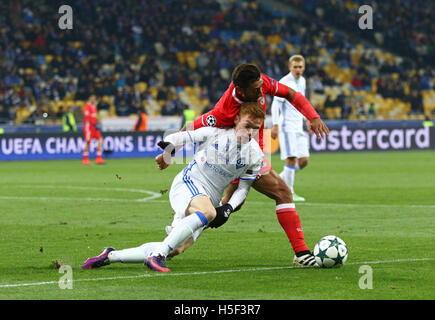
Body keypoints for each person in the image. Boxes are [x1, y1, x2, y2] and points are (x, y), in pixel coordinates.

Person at [156, 63, 329, 266]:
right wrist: (169, 153)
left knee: (225, 209)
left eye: (260, 85)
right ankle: (301, 254)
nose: (261, 89)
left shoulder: (261, 83)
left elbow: (293, 95)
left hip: (252, 154)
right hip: (235, 159)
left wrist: (313, 116)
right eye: (255, 89)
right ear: (241, 90)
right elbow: (193, 126)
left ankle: (179, 234)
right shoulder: (225, 110)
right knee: (281, 192)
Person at [82, 102, 265, 272]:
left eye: (255, 129)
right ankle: (156, 256)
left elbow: (243, 188)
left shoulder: (255, 154)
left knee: (175, 248)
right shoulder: (215, 133)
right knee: (208, 213)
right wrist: (169, 146)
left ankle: (111, 256)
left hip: (210, 198)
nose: (250, 132)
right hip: (190, 183)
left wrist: (228, 208)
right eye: (247, 126)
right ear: (236, 120)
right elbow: (181, 136)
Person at [271, 55, 311, 202]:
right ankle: (289, 192)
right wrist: (275, 125)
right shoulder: (284, 82)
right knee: (291, 159)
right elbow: (276, 104)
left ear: (304, 67)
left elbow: (302, 103)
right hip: (286, 125)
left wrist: (308, 119)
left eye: (300, 67)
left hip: (298, 125)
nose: (298, 69)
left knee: (304, 160)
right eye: (295, 67)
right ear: (290, 67)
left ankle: (279, 180)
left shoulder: (303, 81)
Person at [83, 95, 105, 165]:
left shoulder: (94, 106)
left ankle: (98, 158)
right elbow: (87, 117)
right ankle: (85, 159)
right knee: (88, 142)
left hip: (94, 127)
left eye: (95, 98)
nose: (94, 99)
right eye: (92, 98)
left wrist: (97, 122)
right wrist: (92, 123)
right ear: (89, 98)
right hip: (89, 127)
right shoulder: (87, 106)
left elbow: (95, 116)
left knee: (100, 140)